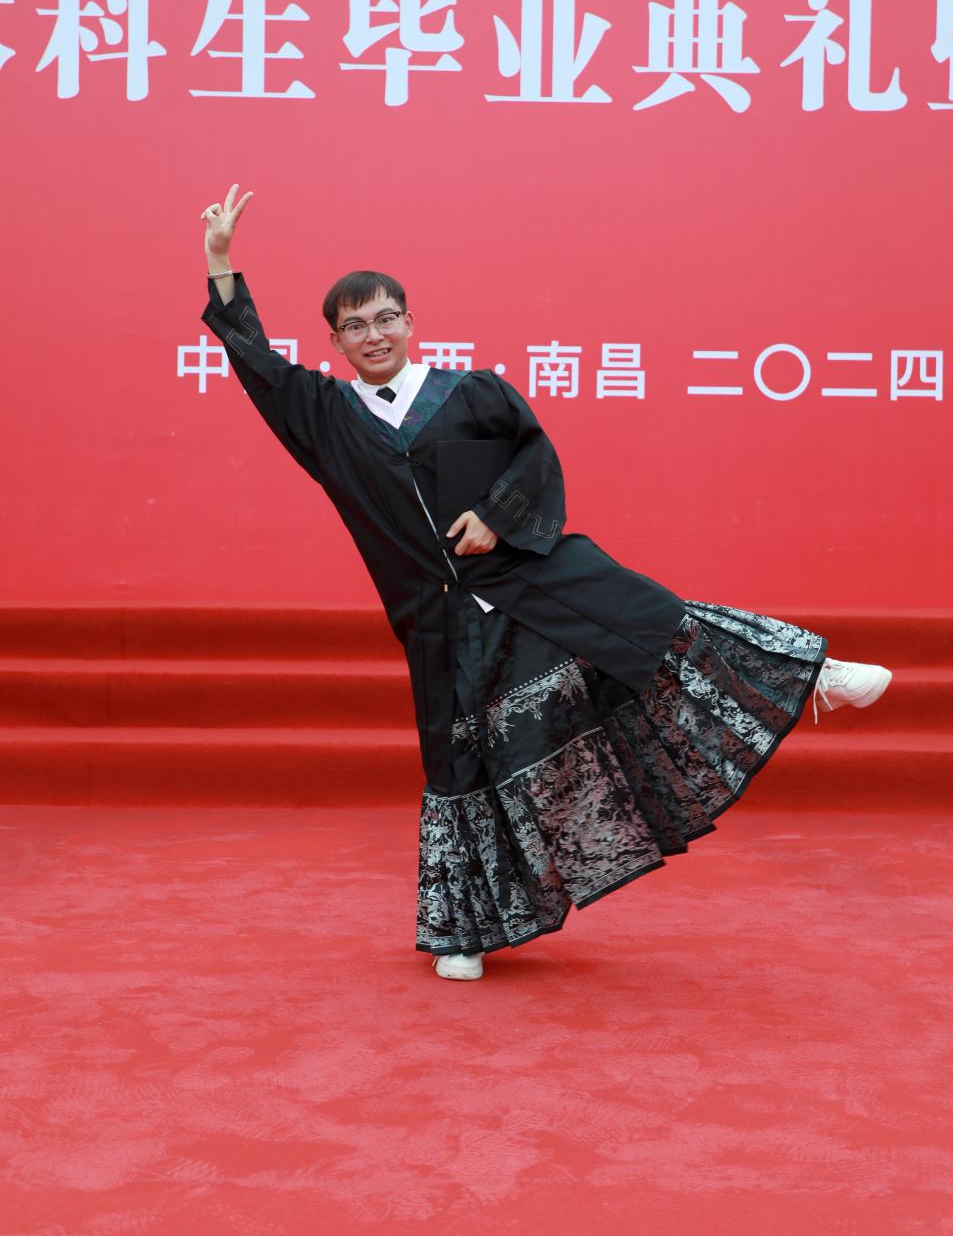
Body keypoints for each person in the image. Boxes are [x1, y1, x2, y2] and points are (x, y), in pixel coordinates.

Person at [199, 183, 893, 982]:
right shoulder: (326, 417)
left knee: (640, 612)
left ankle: (810, 672)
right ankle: (463, 932)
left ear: (410, 323)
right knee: (459, 761)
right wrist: (221, 261)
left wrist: (497, 516)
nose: (374, 334)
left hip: (520, 570)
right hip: (437, 615)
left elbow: (536, 457)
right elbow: (256, 363)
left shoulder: (472, 392)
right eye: (355, 326)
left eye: (386, 318)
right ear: (336, 342)